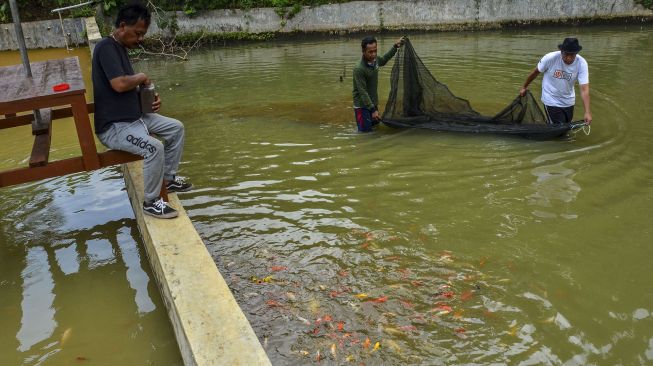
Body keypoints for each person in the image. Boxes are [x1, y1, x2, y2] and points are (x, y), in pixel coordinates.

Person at [92, 3, 192, 219]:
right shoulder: (106, 48)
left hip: (137, 117)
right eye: (137, 33)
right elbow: (119, 84)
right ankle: (151, 201)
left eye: (142, 34)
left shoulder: (121, 49)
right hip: (115, 127)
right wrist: (143, 77)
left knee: (176, 128)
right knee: (154, 148)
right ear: (122, 26)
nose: (139, 39)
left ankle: (167, 179)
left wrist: (149, 99)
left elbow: (126, 88)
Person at [520, 37, 592, 125]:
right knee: (559, 130)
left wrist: (587, 112)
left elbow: (584, 89)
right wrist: (524, 87)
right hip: (551, 99)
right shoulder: (550, 58)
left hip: (569, 101)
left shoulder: (582, 63)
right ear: (561, 52)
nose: (568, 58)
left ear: (576, 54)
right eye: (566, 54)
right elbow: (535, 72)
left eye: (572, 55)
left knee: (566, 126)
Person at [353, 36, 405, 132]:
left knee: (375, 129)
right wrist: (373, 110)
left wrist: (395, 47)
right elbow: (362, 92)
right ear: (363, 51)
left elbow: (384, 59)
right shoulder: (359, 69)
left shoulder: (375, 60)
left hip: (372, 103)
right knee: (365, 134)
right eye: (370, 52)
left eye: (375, 51)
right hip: (362, 106)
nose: (373, 54)